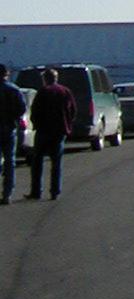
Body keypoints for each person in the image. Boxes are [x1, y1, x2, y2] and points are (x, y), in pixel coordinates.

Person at [28, 68, 76, 201]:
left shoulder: (43, 92)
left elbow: (35, 110)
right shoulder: (65, 91)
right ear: (56, 78)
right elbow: (73, 110)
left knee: (37, 161)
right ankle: (55, 191)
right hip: (60, 131)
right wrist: (67, 124)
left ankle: (36, 191)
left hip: (43, 131)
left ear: (45, 79)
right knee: (56, 162)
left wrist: (36, 124)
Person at [0, 64, 26, 205]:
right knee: (10, 161)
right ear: (7, 74)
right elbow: (22, 108)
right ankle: (7, 194)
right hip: (9, 128)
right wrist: (14, 118)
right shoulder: (14, 90)